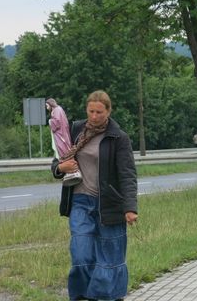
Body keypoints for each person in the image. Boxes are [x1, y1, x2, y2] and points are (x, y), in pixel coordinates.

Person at [51, 90, 138, 301]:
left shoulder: (118, 137)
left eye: (99, 112)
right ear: (86, 110)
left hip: (109, 204)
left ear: (108, 111)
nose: (95, 116)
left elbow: (127, 175)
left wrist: (130, 207)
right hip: (80, 202)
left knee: (110, 257)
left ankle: (108, 296)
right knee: (81, 253)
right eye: (91, 111)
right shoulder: (75, 131)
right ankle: (81, 295)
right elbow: (57, 159)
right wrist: (61, 167)